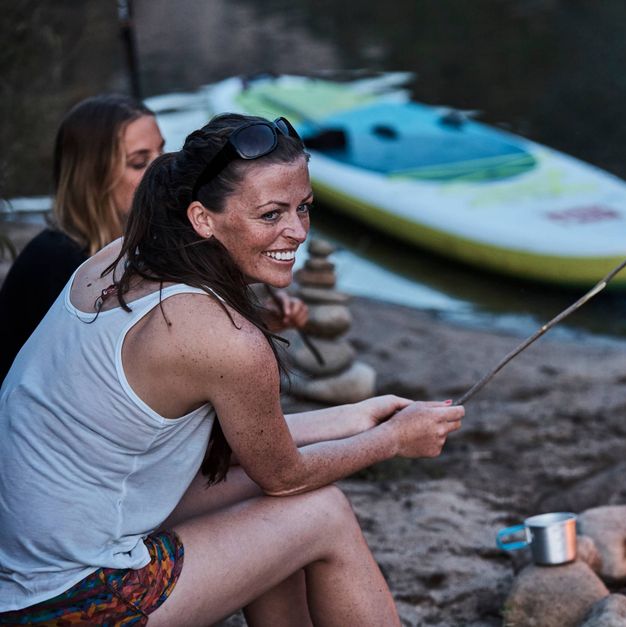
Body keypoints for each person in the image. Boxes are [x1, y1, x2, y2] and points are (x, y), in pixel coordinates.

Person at [0, 113, 464, 625]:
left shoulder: (122, 256)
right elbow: (284, 476)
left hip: (28, 560)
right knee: (319, 514)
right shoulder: (224, 339)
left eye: (304, 208)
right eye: (270, 215)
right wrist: (395, 441)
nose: (297, 231)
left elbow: (254, 449)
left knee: (270, 518)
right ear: (202, 218)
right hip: (67, 598)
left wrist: (356, 417)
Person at [0, 94, 164, 382]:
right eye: (139, 162)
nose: (162, 170)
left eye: (161, 152)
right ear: (93, 175)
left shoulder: (140, 243)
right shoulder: (57, 261)